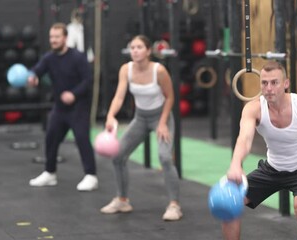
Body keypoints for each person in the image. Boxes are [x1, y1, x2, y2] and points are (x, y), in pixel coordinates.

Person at [222, 61, 297, 240]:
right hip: (272, 169)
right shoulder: (253, 109)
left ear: (286, 83)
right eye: (264, 83)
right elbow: (244, 139)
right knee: (229, 203)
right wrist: (235, 164)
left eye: (274, 82)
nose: (268, 88)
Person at [99, 35, 182, 221]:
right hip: (140, 118)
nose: (134, 50)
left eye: (139, 47)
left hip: (162, 116)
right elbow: (119, 96)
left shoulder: (159, 71)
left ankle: (174, 205)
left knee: (165, 158)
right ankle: (122, 200)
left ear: (148, 51)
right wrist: (111, 115)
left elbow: (170, 97)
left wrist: (162, 123)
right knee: (118, 156)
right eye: (132, 47)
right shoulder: (125, 69)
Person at [28, 23, 98, 191]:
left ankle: (91, 175)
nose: (53, 40)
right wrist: (33, 77)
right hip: (60, 107)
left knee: (81, 138)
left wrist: (74, 94)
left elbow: (88, 80)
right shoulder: (49, 58)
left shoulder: (78, 57)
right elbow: (36, 70)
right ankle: (50, 173)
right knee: (51, 137)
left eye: (57, 37)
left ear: (65, 38)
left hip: (79, 105)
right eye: (51, 37)